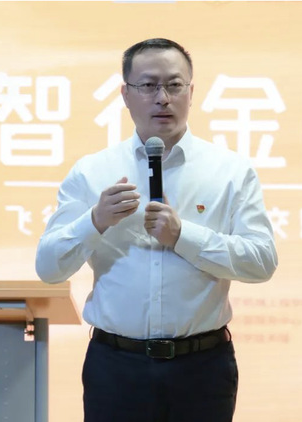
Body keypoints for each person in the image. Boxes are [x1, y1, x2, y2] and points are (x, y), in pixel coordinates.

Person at [35, 38, 277, 422]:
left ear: (191, 93)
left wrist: (183, 237)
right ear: (125, 95)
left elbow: (262, 262)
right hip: (116, 367)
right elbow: (49, 268)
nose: (162, 98)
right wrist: (95, 221)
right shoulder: (92, 171)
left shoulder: (230, 171)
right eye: (148, 85)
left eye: (174, 85)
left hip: (202, 368)